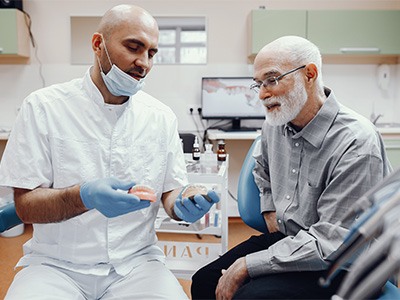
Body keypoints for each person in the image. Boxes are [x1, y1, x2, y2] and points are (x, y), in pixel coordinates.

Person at [0, 4, 219, 300]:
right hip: (55, 265)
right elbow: (25, 205)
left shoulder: (160, 117)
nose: (144, 62)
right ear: (97, 44)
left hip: (137, 265)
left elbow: (170, 190)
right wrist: (83, 196)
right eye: (133, 47)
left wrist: (183, 201)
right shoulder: (43, 108)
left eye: (151, 53)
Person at [191, 35, 392, 299]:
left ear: (310, 74)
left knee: (249, 296)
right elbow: (260, 168)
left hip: (347, 260)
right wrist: (269, 207)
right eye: (258, 84)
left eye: (272, 80)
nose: (262, 94)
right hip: (294, 241)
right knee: (204, 281)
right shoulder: (274, 123)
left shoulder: (356, 142)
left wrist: (248, 266)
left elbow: (333, 242)